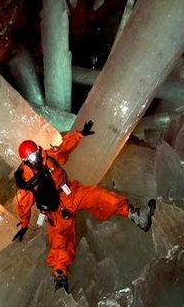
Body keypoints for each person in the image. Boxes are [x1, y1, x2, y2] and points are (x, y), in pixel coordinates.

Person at [12, 122, 156, 293]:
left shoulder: (48, 156)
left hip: (70, 192)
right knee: (59, 241)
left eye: (35, 154)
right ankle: (60, 276)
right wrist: (24, 223)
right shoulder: (25, 179)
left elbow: (63, 148)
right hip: (54, 210)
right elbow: (24, 202)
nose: (35, 159)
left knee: (100, 196)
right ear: (25, 161)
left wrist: (79, 135)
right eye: (31, 159)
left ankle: (135, 214)